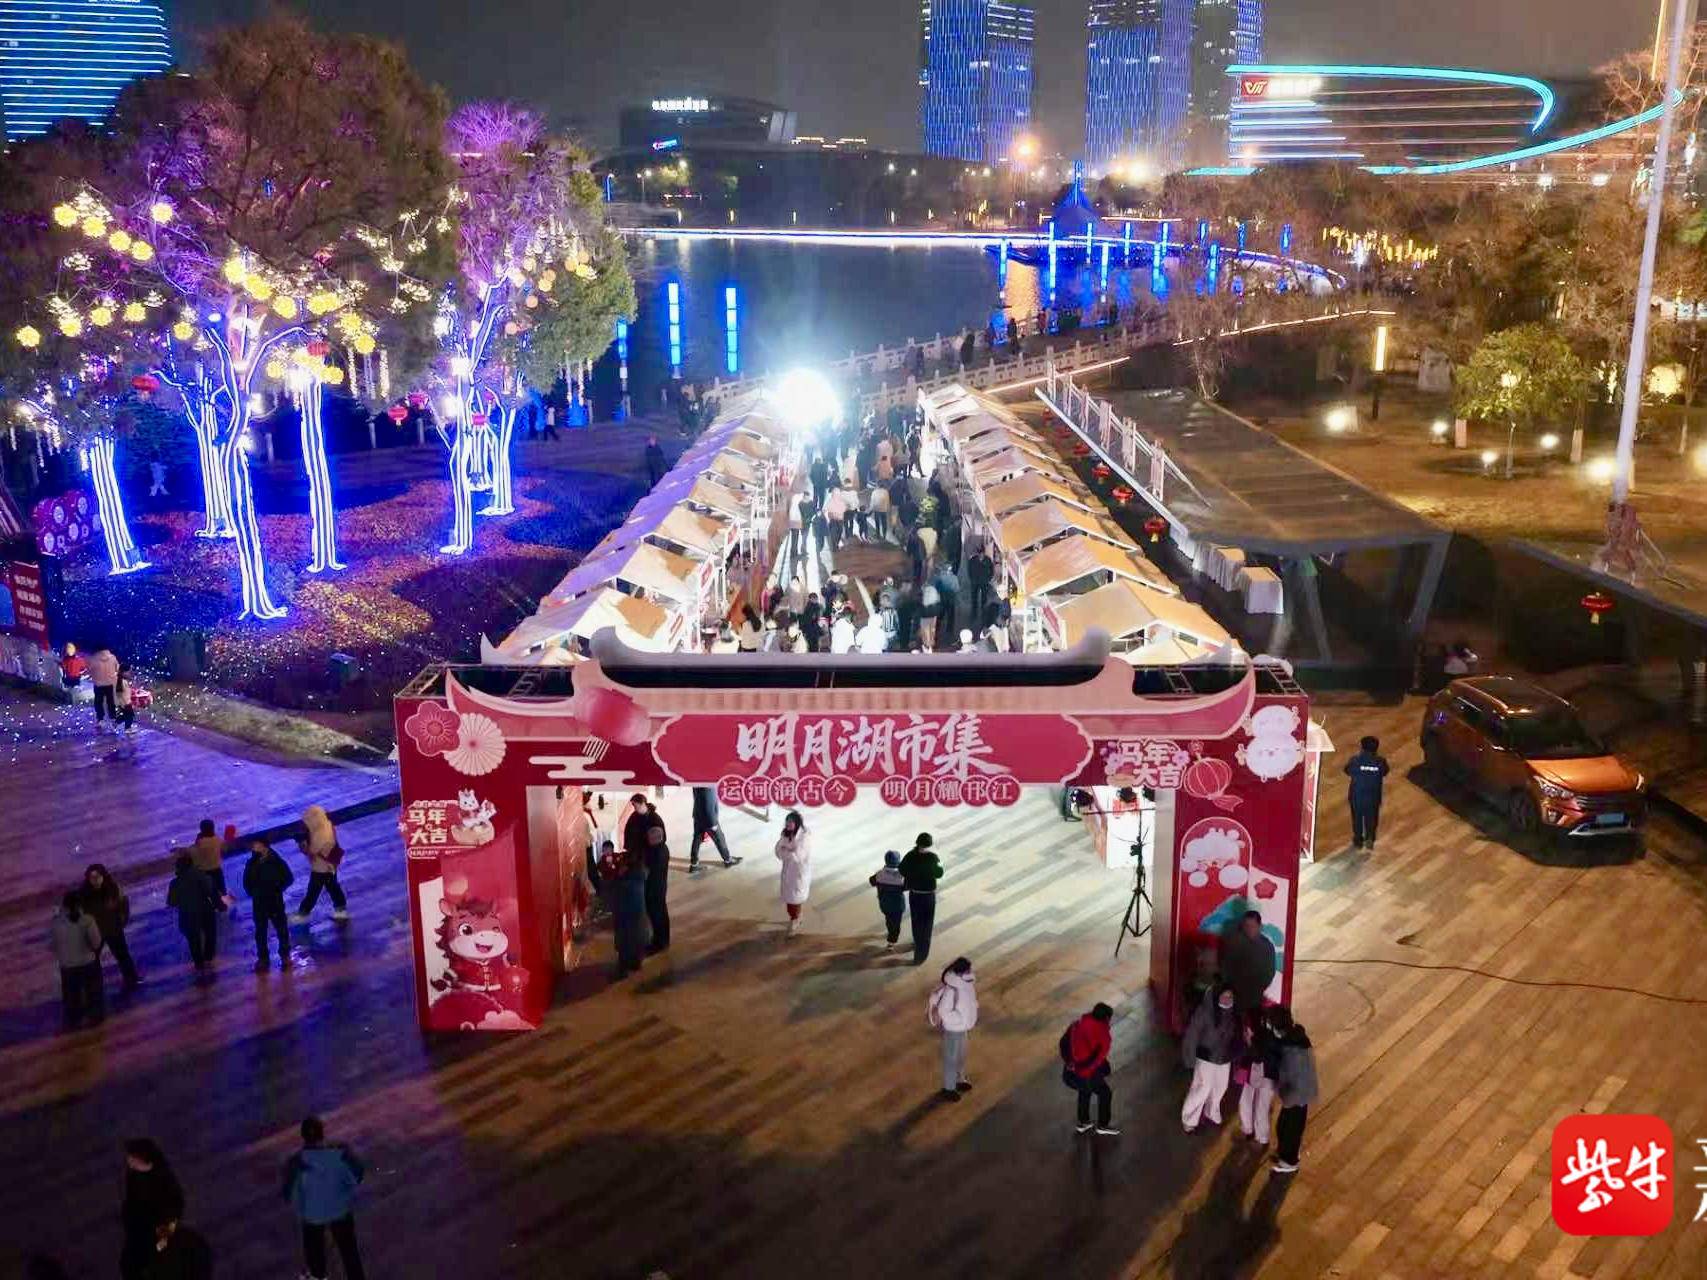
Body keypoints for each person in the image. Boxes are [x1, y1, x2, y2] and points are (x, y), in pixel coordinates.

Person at [283, 1114, 367, 1280]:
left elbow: (288, 1193)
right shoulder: (340, 1151)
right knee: (349, 1253)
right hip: (340, 1209)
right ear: (322, 1133)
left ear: (303, 1136)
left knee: (315, 1257)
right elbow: (358, 1173)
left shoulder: (295, 1161)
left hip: (313, 1214)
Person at [1181, 984, 1243, 1133]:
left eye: (1230, 996)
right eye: (1224, 996)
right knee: (1203, 1088)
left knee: (1221, 1086)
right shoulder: (1204, 1011)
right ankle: (1189, 1118)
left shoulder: (1234, 1013)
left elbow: (1236, 1036)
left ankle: (1211, 1111)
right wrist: (1189, 1059)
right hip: (1206, 1056)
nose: (1227, 999)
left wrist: (1236, 1052)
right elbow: (1192, 1035)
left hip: (1224, 1057)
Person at [121, 1139, 184, 1280]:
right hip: (138, 1230)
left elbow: (173, 1211)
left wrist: (164, 1238)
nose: (128, 1160)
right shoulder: (133, 1175)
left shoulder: (164, 1183)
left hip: (156, 1231)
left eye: (132, 1157)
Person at [1061, 1002, 1119, 1135]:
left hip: (1070, 1072)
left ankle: (1083, 1122)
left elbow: (1063, 1043)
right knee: (1105, 1093)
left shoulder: (1076, 1024)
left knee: (1084, 1091)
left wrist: (1069, 1062)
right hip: (1086, 1073)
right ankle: (1103, 1125)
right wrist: (1086, 1073)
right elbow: (1097, 1060)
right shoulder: (1104, 1036)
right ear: (1106, 1018)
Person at [81, 862, 141, 990]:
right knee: (93, 961)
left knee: (122, 955)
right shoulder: (84, 894)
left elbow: (124, 904)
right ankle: (95, 986)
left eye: (97, 876)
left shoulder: (112, 888)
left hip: (113, 928)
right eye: (92, 877)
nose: (95, 880)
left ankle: (132, 979)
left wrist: (122, 921)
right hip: (96, 932)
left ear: (103, 876)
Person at [1272, 1012, 1318, 1173]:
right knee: (1288, 1127)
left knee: (1289, 1129)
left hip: (1296, 1096)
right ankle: (1287, 1154)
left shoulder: (1291, 1051)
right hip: (1301, 1094)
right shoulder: (1297, 1039)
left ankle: (1289, 1162)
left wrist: (1287, 1099)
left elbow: (1291, 1077)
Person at [50, 890, 104, 1027]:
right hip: (87, 962)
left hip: (67, 964)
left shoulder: (56, 922)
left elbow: (53, 945)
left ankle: (74, 1019)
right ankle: (95, 1017)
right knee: (92, 991)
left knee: (71, 994)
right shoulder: (87, 920)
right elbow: (96, 942)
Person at [927, 956, 978, 1101]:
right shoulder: (952, 990)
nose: (970, 971)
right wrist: (959, 1020)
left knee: (961, 1056)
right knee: (951, 1058)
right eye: (968, 969)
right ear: (961, 972)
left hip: (962, 1028)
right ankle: (948, 1088)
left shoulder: (967, 984)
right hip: (953, 1030)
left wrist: (971, 1012)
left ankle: (959, 1080)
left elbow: (969, 1002)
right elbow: (944, 1012)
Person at [597, 840, 649, 978]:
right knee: (637, 936)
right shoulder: (641, 875)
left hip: (625, 923)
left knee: (626, 937)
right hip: (638, 924)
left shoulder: (624, 882)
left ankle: (624, 968)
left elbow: (610, 883)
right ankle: (636, 962)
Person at [243, 839, 294, 971]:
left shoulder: (276, 861)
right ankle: (263, 958)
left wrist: (277, 889)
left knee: (281, 929)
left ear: (264, 847)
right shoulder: (251, 863)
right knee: (261, 931)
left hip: (274, 901)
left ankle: (285, 956)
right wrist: (254, 893)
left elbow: (289, 878)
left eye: (256, 845)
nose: (253, 848)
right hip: (259, 903)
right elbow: (246, 882)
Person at [294, 805, 350, 922]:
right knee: (333, 888)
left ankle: (302, 914)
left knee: (314, 891)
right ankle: (341, 911)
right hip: (330, 865)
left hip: (321, 867)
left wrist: (303, 845)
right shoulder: (327, 826)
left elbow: (311, 852)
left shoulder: (319, 835)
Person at [1240, 1005, 1285, 1147]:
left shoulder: (1265, 1035)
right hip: (1270, 1076)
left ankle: (1252, 1131)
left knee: (1251, 1102)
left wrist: (1249, 1041)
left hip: (1261, 1073)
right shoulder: (1280, 1035)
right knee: (1260, 1106)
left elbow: (1258, 1057)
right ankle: (1261, 1136)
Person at [167, 854, 218, 974]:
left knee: (193, 939)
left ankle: (198, 962)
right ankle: (208, 956)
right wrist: (219, 905)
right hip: (205, 910)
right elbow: (211, 892)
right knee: (210, 933)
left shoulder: (175, 883)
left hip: (187, 914)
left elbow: (172, 902)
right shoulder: (201, 876)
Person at [898, 833, 943, 965]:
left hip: (915, 894)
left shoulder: (911, 855)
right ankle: (920, 955)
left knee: (916, 921)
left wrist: (913, 874)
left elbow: (901, 869)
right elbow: (939, 873)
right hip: (928, 896)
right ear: (930, 844)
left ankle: (917, 941)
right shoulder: (933, 857)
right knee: (926, 925)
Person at [1219, 909, 1276, 1013]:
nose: (1249, 929)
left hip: (1256, 996)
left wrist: (1257, 989)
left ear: (1259, 926)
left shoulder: (1267, 946)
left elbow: (1269, 972)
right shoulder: (1234, 943)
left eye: (1252, 926)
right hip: (1233, 995)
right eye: (1246, 926)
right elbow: (1225, 968)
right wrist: (1230, 988)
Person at [1344, 735, 1390, 850]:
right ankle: (1370, 838)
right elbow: (1385, 772)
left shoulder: (1355, 760)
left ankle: (1358, 840)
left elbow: (1347, 770)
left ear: (1362, 747)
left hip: (1356, 796)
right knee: (1372, 818)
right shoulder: (1380, 762)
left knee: (1357, 819)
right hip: (1373, 797)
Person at [774, 810, 812, 937]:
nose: (788, 824)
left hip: (798, 873)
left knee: (795, 899)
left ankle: (795, 919)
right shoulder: (785, 834)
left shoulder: (804, 837)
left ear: (797, 823)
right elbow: (778, 851)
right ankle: (796, 916)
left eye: (791, 822)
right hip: (788, 871)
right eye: (787, 822)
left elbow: (798, 856)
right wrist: (788, 851)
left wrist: (786, 851)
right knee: (790, 898)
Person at [689, 785, 740, 872]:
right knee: (719, 838)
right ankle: (728, 860)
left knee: (697, 839)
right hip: (709, 818)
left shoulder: (697, 781)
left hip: (698, 814)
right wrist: (713, 823)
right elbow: (708, 801)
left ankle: (694, 864)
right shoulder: (707, 785)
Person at [869, 850, 908, 948]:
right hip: (898, 905)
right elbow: (907, 886)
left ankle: (890, 931)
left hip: (885, 904)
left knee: (889, 919)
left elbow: (871, 881)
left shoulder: (880, 874)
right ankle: (891, 941)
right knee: (896, 923)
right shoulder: (901, 876)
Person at [188, 819, 229, 913]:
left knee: (211, 892)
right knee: (221, 889)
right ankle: (224, 907)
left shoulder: (200, 843)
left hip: (205, 872)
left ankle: (216, 908)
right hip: (217, 870)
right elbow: (225, 849)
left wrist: (197, 841)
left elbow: (192, 853)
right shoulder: (217, 839)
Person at [89, 644, 120, 729]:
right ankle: (113, 718)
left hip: (98, 684)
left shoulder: (94, 658)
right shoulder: (112, 657)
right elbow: (117, 669)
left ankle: (100, 719)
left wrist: (94, 677)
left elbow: (90, 670)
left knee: (98, 702)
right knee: (111, 701)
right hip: (110, 683)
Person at [966, 545, 994, 627]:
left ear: (984, 553)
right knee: (974, 599)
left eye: (982, 553)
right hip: (975, 582)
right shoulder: (972, 560)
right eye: (979, 553)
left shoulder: (988, 560)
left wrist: (988, 579)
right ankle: (974, 614)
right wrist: (972, 579)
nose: (981, 555)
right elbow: (969, 570)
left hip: (984, 583)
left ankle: (983, 615)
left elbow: (991, 571)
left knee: (984, 599)